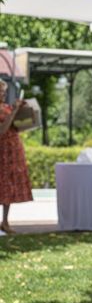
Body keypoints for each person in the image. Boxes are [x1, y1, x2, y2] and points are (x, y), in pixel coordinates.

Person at [0, 79, 31, 234]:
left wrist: (22, 113)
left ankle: (5, 221)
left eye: (4, 92)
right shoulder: (5, 109)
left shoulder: (6, 107)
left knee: (8, 186)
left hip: (12, 151)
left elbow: (16, 127)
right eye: (1, 91)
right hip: (2, 152)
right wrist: (13, 112)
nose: (3, 94)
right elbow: (2, 130)